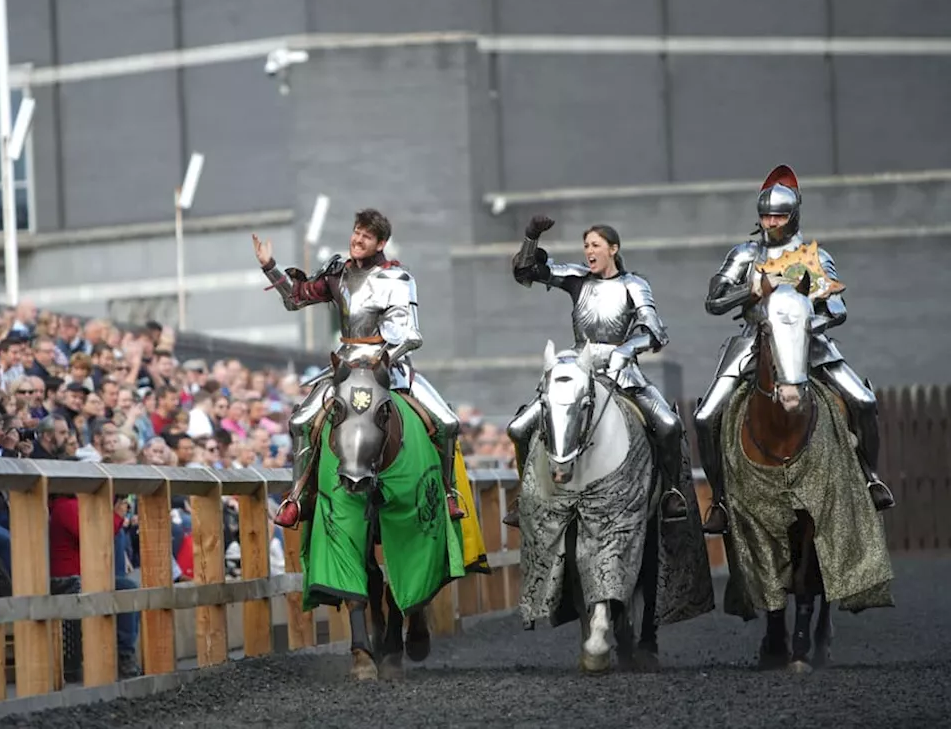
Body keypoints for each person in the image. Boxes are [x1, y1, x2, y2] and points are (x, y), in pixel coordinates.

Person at [692, 165, 895, 535]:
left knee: (863, 401)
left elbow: (837, 309)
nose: (771, 223)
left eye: (779, 216)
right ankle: (720, 501)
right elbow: (714, 302)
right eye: (766, 216)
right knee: (705, 416)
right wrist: (751, 291)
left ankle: (870, 478)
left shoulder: (812, 256)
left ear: (793, 215)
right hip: (754, 340)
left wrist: (799, 328)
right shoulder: (744, 255)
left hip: (809, 343)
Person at [252, 208, 464, 527]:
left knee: (447, 422)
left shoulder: (399, 278)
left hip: (389, 364)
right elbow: (297, 298)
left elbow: (411, 335)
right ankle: (296, 497)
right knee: (300, 422)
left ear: (381, 243)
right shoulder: (338, 274)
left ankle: (448, 493)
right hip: (346, 365)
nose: (357, 239)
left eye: (366, 235)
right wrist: (270, 267)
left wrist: (379, 361)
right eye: (356, 232)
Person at [505, 219, 689, 523]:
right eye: (586, 246)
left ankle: (671, 493)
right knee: (519, 428)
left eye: (596, 245)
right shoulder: (577, 279)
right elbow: (527, 271)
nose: (589, 251)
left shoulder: (634, 285)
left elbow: (656, 332)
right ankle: (525, 495)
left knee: (668, 425)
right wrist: (531, 237)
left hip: (623, 373)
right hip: (580, 370)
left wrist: (628, 348)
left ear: (613, 249)